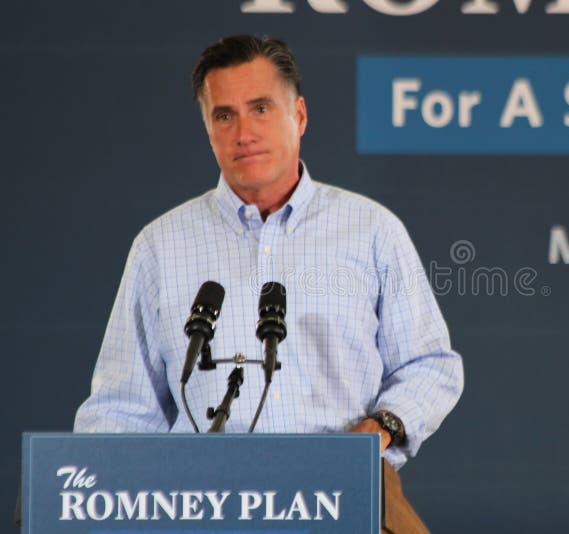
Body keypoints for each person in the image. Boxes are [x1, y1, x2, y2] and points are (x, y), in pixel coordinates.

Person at [74, 34, 464, 468]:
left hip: (341, 492)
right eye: (225, 116)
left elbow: (430, 364)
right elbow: (121, 409)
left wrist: (380, 428)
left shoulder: (372, 230)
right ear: (208, 130)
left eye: (260, 109)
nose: (244, 133)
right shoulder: (160, 246)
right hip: (202, 498)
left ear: (298, 116)